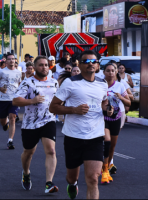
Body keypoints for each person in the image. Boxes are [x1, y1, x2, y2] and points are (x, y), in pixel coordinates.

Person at [49, 50, 114, 199]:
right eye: (86, 61)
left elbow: (104, 101)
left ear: (97, 65)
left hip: (95, 136)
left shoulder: (102, 83)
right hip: (74, 136)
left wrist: (107, 109)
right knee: (72, 177)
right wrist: (73, 110)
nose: (90, 64)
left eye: (93, 61)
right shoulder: (70, 83)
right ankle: (72, 184)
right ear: (79, 64)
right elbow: (53, 107)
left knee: (93, 179)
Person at [13, 55, 59, 193]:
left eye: (46, 65)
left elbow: (60, 100)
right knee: (28, 152)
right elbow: (15, 101)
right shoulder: (28, 82)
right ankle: (26, 173)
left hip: (48, 120)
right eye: (41, 65)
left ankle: (49, 183)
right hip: (30, 123)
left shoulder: (54, 82)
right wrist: (32, 101)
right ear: (34, 67)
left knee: (51, 150)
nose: (44, 67)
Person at [101, 63, 131, 184]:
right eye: (108, 71)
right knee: (107, 141)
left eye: (112, 71)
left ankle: (107, 166)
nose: (110, 73)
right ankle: (104, 170)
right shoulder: (100, 86)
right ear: (104, 72)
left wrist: (121, 97)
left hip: (115, 118)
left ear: (116, 72)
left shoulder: (120, 86)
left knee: (112, 146)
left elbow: (129, 102)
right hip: (102, 118)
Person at [0, 54, 22, 149]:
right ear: (6, 61)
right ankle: (5, 125)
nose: (12, 61)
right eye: (10, 59)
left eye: (13, 59)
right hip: (3, 99)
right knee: (3, 120)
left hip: (14, 98)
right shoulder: (2, 72)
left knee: (12, 118)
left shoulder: (18, 72)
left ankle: (10, 141)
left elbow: (19, 83)